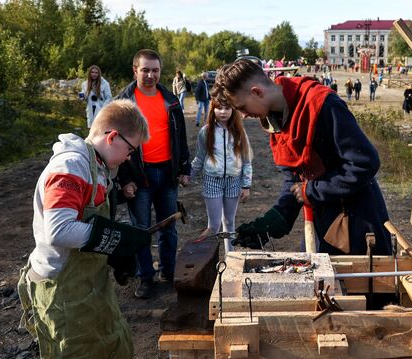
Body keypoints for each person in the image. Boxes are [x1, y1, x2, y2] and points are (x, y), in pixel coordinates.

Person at [211, 59, 391, 256]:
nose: (243, 115)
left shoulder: (322, 104)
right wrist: (276, 219)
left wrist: (313, 190)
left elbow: (364, 163)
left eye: (242, 107)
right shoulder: (274, 118)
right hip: (320, 219)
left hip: (356, 220)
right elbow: (296, 180)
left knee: (359, 284)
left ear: (257, 92)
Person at [17, 100, 150, 358]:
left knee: (114, 343)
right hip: (63, 287)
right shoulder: (71, 166)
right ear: (112, 137)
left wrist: (114, 251)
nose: (130, 157)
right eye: (131, 149)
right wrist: (116, 239)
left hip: (89, 281)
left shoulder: (98, 167)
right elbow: (59, 230)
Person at [115, 49, 191, 299]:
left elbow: (180, 136)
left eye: (155, 70)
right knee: (141, 230)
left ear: (160, 71)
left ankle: (168, 273)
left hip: (167, 174)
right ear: (135, 70)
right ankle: (146, 278)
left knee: (168, 228)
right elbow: (113, 143)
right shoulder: (123, 103)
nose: (150, 75)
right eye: (145, 70)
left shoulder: (170, 100)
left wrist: (183, 168)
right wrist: (124, 179)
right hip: (138, 177)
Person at [191, 98, 253, 253]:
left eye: (227, 108)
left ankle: (230, 256)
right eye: (219, 108)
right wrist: (188, 175)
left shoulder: (239, 132)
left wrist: (246, 185)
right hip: (212, 180)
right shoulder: (206, 131)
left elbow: (246, 160)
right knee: (213, 225)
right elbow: (199, 157)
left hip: (234, 180)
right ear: (213, 110)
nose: (223, 112)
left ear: (233, 110)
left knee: (229, 221)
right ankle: (208, 260)